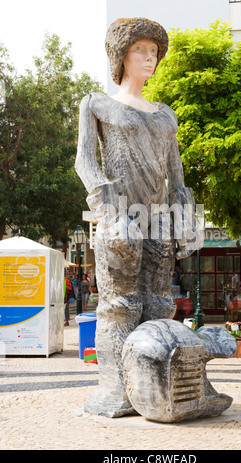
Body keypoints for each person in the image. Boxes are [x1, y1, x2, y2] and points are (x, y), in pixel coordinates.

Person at [75, 17, 201, 417]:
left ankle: (156, 386)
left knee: (160, 304)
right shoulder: (98, 104)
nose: (150, 59)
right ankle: (117, 388)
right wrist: (110, 212)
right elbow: (85, 162)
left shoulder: (165, 114)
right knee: (119, 305)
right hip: (120, 220)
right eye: (140, 51)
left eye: (154, 52)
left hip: (158, 220)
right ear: (121, 57)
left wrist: (183, 218)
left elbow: (176, 173)